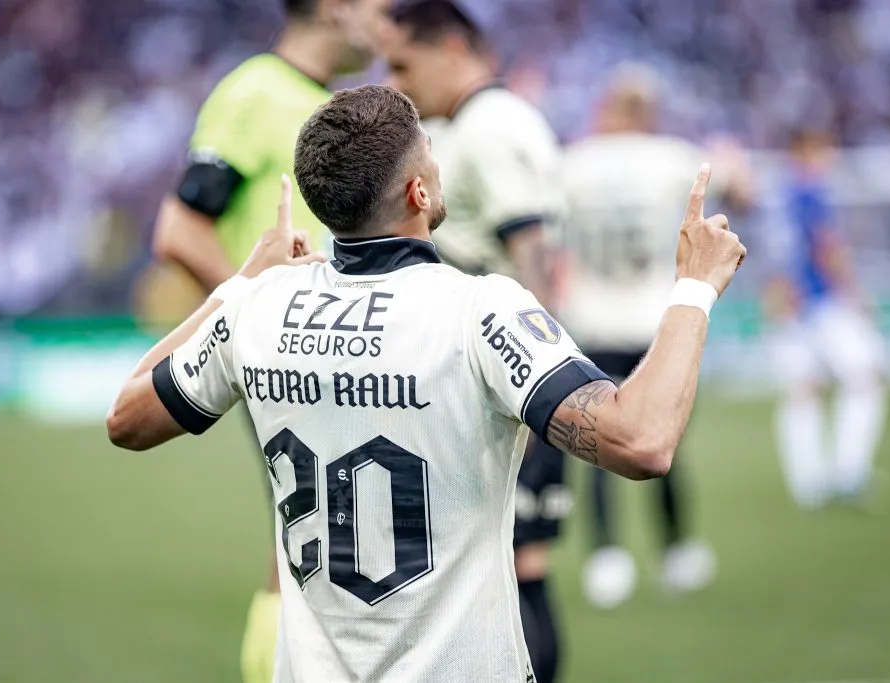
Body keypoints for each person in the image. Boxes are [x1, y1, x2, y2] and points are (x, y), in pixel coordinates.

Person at [107, 84, 746, 683]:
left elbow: (127, 418)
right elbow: (643, 439)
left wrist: (239, 283)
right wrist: (694, 286)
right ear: (418, 193)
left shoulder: (260, 307)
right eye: (431, 153)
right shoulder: (479, 309)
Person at [148, 1, 391, 680]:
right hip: (295, 359)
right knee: (311, 555)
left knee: (323, 554)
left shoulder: (323, 100)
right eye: (376, 5)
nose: (387, 19)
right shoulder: (256, 90)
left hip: (340, 355)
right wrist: (261, 312)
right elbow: (179, 227)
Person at [382, 3, 565, 678]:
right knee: (509, 573)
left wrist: (533, 386)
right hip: (503, 379)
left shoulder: (487, 127)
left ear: (453, 48)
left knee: (515, 575)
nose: (398, 82)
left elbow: (534, 255)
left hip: (501, 386)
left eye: (404, 64)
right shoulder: (493, 120)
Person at [559, 64, 753, 609]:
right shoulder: (672, 156)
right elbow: (739, 185)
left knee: (596, 443)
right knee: (665, 443)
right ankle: (676, 553)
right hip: (656, 322)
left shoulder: (572, 163)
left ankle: (606, 558)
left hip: (591, 320)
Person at [765, 128, 887, 510]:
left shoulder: (777, 197)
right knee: (866, 375)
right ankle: (849, 472)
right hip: (820, 301)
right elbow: (826, 246)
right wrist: (855, 293)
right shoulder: (811, 191)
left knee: (803, 389)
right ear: (806, 151)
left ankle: (809, 484)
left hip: (786, 303)